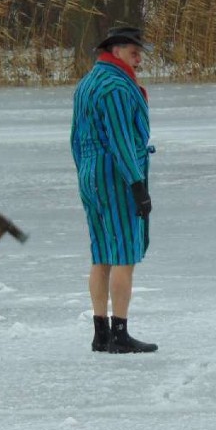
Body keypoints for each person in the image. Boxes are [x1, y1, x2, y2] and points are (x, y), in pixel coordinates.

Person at [70, 26, 158, 354]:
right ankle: (120, 333)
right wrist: (136, 185)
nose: (139, 56)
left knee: (102, 252)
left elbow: (75, 138)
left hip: (91, 173)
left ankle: (100, 332)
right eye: (133, 50)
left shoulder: (88, 81)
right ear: (115, 50)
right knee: (123, 254)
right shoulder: (116, 86)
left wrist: (85, 173)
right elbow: (121, 140)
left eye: (140, 50)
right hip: (116, 174)